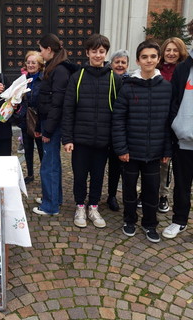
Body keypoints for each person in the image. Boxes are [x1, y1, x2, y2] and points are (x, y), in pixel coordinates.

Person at [112, 40, 172, 243]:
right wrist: (121, 147)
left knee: (152, 191)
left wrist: (166, 149)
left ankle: (149, 224)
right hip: (131, 150)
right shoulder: (128, 87)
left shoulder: (166, 87)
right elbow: (118, 119)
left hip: (155, 151)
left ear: (158, 59)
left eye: (153, 56)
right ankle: (129, 220)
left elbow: (167, 122)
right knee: (129, 189)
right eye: (144, 57)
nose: (149, 60)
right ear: (138, 60)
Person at [62, 34, 122, 228]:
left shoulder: (114, 78)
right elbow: (68, 109)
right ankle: (80, 206)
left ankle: (93, 207)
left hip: (103, 140)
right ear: (87, 53)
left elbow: (119, 111)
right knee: (79, 176)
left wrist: (115, 139)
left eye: (102, 51)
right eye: (94, 51)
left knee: (98, 176)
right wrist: (67, 138)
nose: (98, 55)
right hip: (80, 139)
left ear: (106, 53)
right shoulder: (77, 77)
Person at [32, 33, 78, 216]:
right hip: (49, 121)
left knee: (49, 164)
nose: (40, 53)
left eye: (41, 49)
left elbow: (57, 102)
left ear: (49, 49)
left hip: (52, 123)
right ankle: (52, 197)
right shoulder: (56, 66)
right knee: (52, 163)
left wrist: (48, 129)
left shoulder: (59, 70)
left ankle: (50, 206)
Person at [162, 20, 193, 239]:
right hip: (184, 140)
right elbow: (173, 102)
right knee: (182, 184)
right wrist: (175, 126)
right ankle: (179, 220)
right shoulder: (183, 68)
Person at [156, 37, 188, 213]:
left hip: (176, 122)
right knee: (154, 161)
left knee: (167, 163)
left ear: (180, 52)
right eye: (168, 50)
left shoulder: (184, 71)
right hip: (158, 121)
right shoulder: (157, 70)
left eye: (175, 50)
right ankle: (148, 192)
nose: (171, 53)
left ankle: (163, 195)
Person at [107, 49, 130, 211]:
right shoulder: (107, 79)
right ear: (111, 64)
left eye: (123, 62)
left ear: (127, 65)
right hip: (107, 129)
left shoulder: (132, 81)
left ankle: (123, 196)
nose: (120, 65)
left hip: (125, 130)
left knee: (123, 166)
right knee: (109, 166)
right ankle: (110, 195)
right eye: (117, 62)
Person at [17, 51, 44, 184]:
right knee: (27, 148)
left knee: (41, 150)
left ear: (39, 65)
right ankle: (30, 174)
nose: (30, 65)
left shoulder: (44, 79)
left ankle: (44, 174)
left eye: (34, 62)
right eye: (28, 62)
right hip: (25, 118)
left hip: (39, 119)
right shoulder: (23, 79)